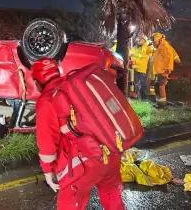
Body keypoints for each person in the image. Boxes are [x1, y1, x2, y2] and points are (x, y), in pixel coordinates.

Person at [31, 57, 124, 210]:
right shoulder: (79, 86)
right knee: (112, 197)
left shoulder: (47, 100)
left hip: (83, 162)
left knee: (70, 204)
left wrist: (47, 172)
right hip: (111, 153)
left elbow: (47, 142)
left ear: (37, 83)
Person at [152, 32, 181, 107]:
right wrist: (177, 59)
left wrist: (168, 69)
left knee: (160, 86)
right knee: (158, 85)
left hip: (163, 70)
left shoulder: (164, 46)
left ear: (160, 40)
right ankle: (160, 103)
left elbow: (168, 58)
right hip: (159, 70)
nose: (153, 43)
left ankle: (162, 104)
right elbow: (174, 54)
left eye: (154, 42)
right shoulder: (161, 46)